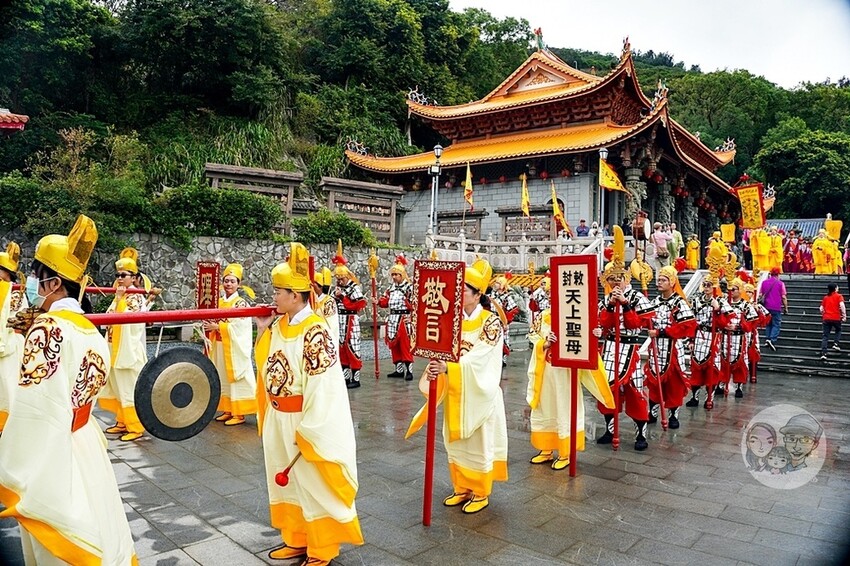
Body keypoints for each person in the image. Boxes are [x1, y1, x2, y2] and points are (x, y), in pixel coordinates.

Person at [0, 215, 137, 564]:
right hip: (85, 440)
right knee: (98, 520)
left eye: (35, 274)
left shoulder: (48, 329)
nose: (31, 282)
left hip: (55, 446)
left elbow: (34, 408)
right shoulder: (89, 328)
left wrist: (12, 460)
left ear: (53, 282)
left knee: (58, 535)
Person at [254, 243, 363, 565]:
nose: (273, 296)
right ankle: (296, 538)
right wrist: (262, 332)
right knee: (285, 484)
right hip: (278, 414)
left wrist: (312, 428)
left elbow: (325, 386)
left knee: (313, 485)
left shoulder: (315, 331)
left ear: (296, 295)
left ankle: (322, 548)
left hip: (303, 419)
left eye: (278, 291)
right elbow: (269, 364)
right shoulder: (279, 325)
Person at [408, 258, 508, 514]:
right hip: (456, 391)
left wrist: (450, 367)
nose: (458, 293)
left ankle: (480, 491)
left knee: (478, 442)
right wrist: (436, 363)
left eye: (464, 289)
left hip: (479, 393)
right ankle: (461, 486)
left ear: (477, 295)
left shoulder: (491, 322)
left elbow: (483, 359)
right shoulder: (451, 319)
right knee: (455, 442)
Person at [526, 307, 612, 470]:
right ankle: (546, 448)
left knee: (564, 407)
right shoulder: (543, 315)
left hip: (566, 372)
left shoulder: (577, 313)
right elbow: (533, 336)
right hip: (545, 370)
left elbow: (586, 337)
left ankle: (566, 452)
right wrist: (545, 342)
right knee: (545, 407)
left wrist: (593, 335)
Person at [592, 228, 653, 451]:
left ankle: (641, 433)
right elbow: (603, 323)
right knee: (608, 390)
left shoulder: (637, 297)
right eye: (612, 279)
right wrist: (610, 306)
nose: (616, 282)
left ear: (627, 278)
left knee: (636, 391)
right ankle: (609, 429)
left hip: (631, 349)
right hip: (609, 348)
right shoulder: (606, 299)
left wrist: (626, 304)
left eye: (619, 278)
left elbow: (638, 324)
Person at [98, 247, 150, 441]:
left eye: (124, 275)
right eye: (118, 275)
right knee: (117, 385)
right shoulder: (120, 296)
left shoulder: (136, 297)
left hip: (128, 350)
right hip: (114, 346)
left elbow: (130, 322)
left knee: (128, 387)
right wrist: (118, 299)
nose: (120, 278)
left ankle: (135, 425)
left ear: (134, 278)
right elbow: (109, 317)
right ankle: (121, 421)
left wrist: (118, 301)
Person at [204, 263, 258, 426]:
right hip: (220, 345)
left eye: (232, 281)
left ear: (238, 284)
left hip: (234, 347)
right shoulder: (219, 302)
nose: (229, 284)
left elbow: (240, 327)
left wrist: (218, 326)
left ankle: (239, 412)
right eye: (226, 281)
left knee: (235, 378)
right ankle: (227, 409)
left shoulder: (240, 304)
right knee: (222, 376)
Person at [644, 266, 696, 429]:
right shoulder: (654, 302)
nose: (659, 283)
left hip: (673, 348)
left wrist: (661, 331)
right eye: (658, 279)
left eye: (663, 280)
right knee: (653, 381)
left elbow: (687, 326)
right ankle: (652, 411)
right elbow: (646, 318)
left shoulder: (679, 302)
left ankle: (673, 414)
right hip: (657, 348)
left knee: (674, 383)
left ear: (672, 282)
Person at [686, 277, 732, 410]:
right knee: (695, 367)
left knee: (711, 368)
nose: (706, 287)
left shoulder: (721, 301)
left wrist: (717, 310)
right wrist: (691, 339)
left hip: (713, 336)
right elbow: (692, 321)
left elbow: (726, 323)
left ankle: (709, 398)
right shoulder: (696, 301)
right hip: (699, 336)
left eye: (709, 285)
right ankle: (694, 396)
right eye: (704, 285)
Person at [0, 242, 28, 433]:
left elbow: (17, 319)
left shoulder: (15, 293)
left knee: (8, 385)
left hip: (10, 344)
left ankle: (8, 425)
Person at [332, 241, 367, 389]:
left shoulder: (354, 288)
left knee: (353, 346)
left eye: (342, 278)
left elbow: (359, 304)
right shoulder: (336, 289)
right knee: (341, 347)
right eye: (338, 279)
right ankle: (346, 378)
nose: (340, 281)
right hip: (339, 319)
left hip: (351, 320)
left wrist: (343, 298)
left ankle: (356, 378)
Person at [717, 277, 759, 398]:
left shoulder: (745, 305)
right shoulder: (725, 303)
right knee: (723, 360)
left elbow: (753, 321)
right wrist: (724, 324)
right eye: (730, 289)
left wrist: (739, 326)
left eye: (734, 289)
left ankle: (739, 386)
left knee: (740, 362)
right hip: (725, 336)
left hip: (739, 338)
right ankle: (721, 383)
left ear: (740, 290)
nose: (731, 292)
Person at [377, 254, 414, 381]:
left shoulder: (409, 288)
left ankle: (409, 369)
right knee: (394, 345)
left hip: (403, 318)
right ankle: (398, 369)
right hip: (392, 317)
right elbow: (385, 301)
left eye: (396, 275)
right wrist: (378, 302)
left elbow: (415, 304)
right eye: (392, 275)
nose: (394, 277)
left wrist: (412, 317)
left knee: (405, 344)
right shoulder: (390, 288)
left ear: (402, 275)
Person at [489, 272, 519, 367]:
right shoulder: (492, 295)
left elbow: (512, 310)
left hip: (502, 321)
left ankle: (502, 359)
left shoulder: (507, 297)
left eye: (498, 283)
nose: (495, 284)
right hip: (492, 320)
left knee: (503, 340)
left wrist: (506, 322)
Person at [746, 283, 771, 383]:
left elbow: (766, 317)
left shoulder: (756, 305)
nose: (748, 293)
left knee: (754, 353)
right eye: (746, 291)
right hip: (740, 332)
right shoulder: (740, 303)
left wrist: (758, 311)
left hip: (752, 332)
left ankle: (753, 375)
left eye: (750, 292)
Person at [760, 267, 787, 351]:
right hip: (776, 307)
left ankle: (767, 339)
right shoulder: (780, 283)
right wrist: (786, 307)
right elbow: (783, 297)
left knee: (768, 323)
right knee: (776, 323)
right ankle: (772, 339)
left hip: (766, 307)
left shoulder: (764, 283)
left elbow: (761, 294)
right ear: (778, 274)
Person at [312, 266, 339, 344]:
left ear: (320, 287)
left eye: (315, 284)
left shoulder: (329, 301)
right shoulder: (314, 299)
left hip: (325, 335)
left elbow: (331, 323)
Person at [819, 283, 846, 360]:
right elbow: (842, 306)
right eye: (837, 287)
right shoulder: (839, 296)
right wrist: (844, 316)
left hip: (826, 318)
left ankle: (824, 353)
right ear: (835, 288)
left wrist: (824, 313)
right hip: (836, 317)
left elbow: (821, 308)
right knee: (838, 330)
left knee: (825, 336)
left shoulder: (825, 297)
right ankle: (836, 343)